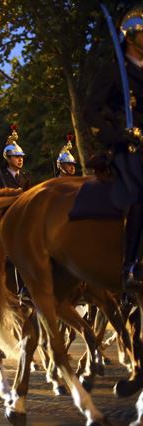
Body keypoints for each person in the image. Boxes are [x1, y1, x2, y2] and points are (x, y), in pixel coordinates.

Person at [84, 5, 143, 291]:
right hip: (126, 148)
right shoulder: (114, 72)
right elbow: (91, 111)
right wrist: (118, 134)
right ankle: (129, 265)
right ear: (131, 37)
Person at [0, 125, 32, 196]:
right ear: (8, 158)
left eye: (21, 156)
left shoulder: (26, 177)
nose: (20, 159)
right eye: (16, 156)